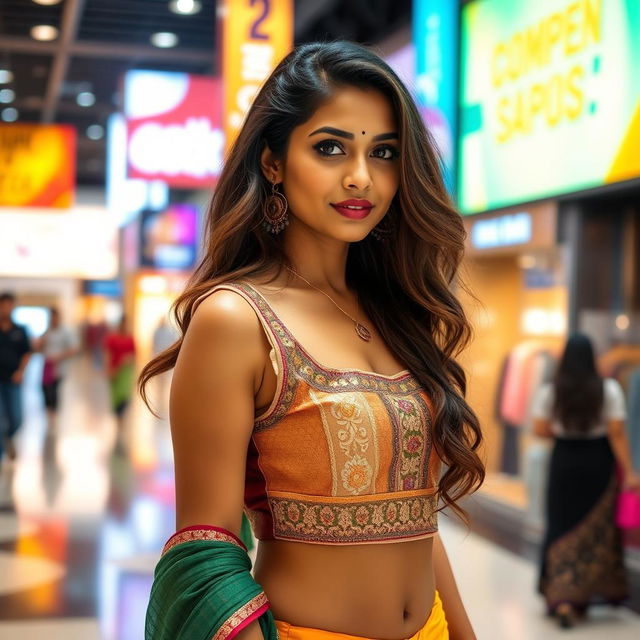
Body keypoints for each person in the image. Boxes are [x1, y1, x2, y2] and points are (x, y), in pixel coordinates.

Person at [141, 41, 484, 640]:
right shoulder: (236, 318)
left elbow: (417, 519)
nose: (361, 177)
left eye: (384, 153)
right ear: (273, 162)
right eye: (330, 148)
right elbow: (207, 549)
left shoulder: (395, 312)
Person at [531, 333, 640, 629]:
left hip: (564, 461)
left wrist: (565, 432)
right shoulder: (609, 389)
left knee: (560, 524)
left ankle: (562, 598)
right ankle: (583, 596)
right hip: (597, 462)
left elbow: (540, 430)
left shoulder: (551, 392)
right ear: (592, 357)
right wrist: (629, 472)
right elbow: (617, 434)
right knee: (596, 526)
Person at [0, 292, 31, 464]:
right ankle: (2, 454)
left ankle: (8, 436)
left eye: (9, 305)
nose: (5, 309)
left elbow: (27, 353)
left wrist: (21, 371)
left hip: (13, 380)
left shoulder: (20, 330)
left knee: (17, 418)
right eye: (2, 305)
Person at [36, 307, 79, 428]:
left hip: (59, 368)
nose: (53, 319)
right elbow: (39, 348)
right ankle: (49, 413)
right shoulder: (47, 332)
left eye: (55, 317)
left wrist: (60, 357)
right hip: (47, 367)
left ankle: (54, 416)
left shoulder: (65, 332)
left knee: (53, 391)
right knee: (45, 389)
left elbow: (74, 349)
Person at [105, 314, 136, 430]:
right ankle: (117, 419)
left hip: (126, 372)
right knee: (115, 396)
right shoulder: (112, 338)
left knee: (124, 395)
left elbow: (134, 355)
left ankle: (121, 419)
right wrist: (109, 369)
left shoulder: (130, 338)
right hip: (115, 369)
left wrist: (128, 360)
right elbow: (107, 354)